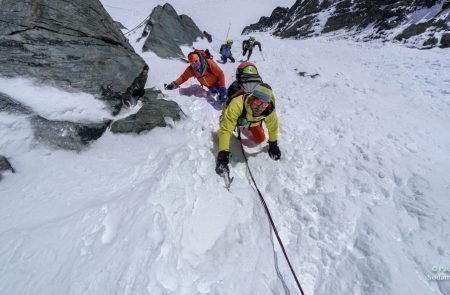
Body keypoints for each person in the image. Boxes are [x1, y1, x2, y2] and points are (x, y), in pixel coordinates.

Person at [215, 83, 281, 176]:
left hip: (252, 122)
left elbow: (273, 127)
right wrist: (223, 156)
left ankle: (245, 126)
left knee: (260, 138)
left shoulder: (269, 110)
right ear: (252, 98)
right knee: (224, 127)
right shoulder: (237, 104)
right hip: (233, 117)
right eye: (257, 102)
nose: (260, 107)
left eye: (264, 104)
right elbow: (226, 130)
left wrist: (273, 145)